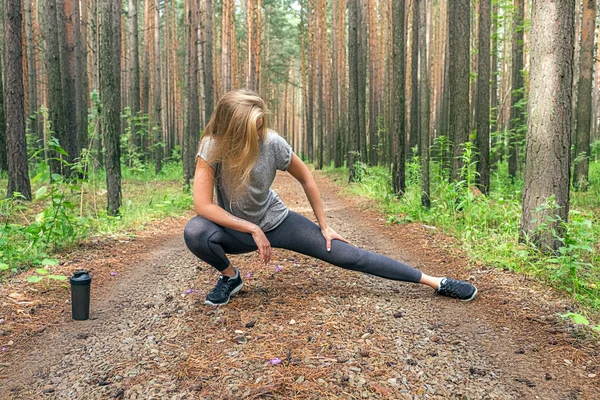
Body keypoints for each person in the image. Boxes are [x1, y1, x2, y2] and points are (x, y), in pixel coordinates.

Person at [184, 89, 477, 306]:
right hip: (235, 230)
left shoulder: (272, 143)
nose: (260, 131)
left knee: (348, 255)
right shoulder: (212, 147)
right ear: (233, 128)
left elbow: (306, 178)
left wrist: (324, 225)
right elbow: (203, 205)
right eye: (253, 126)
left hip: (277, 222)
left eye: (261, 123)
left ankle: (435, 281)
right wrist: (250, 228)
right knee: (196, 231)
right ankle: (230, 276)